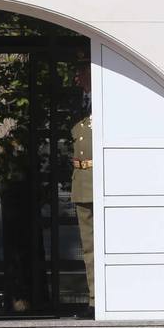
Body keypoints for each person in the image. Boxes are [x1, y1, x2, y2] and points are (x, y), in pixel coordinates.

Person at [70, 62, 94, 310]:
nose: (76, 79)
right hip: (82, 181)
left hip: (99, 180)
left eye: (80, 72)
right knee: (89, 247)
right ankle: (94, 299)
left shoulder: (106, 101)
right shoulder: (79, 105)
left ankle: (101, 299)